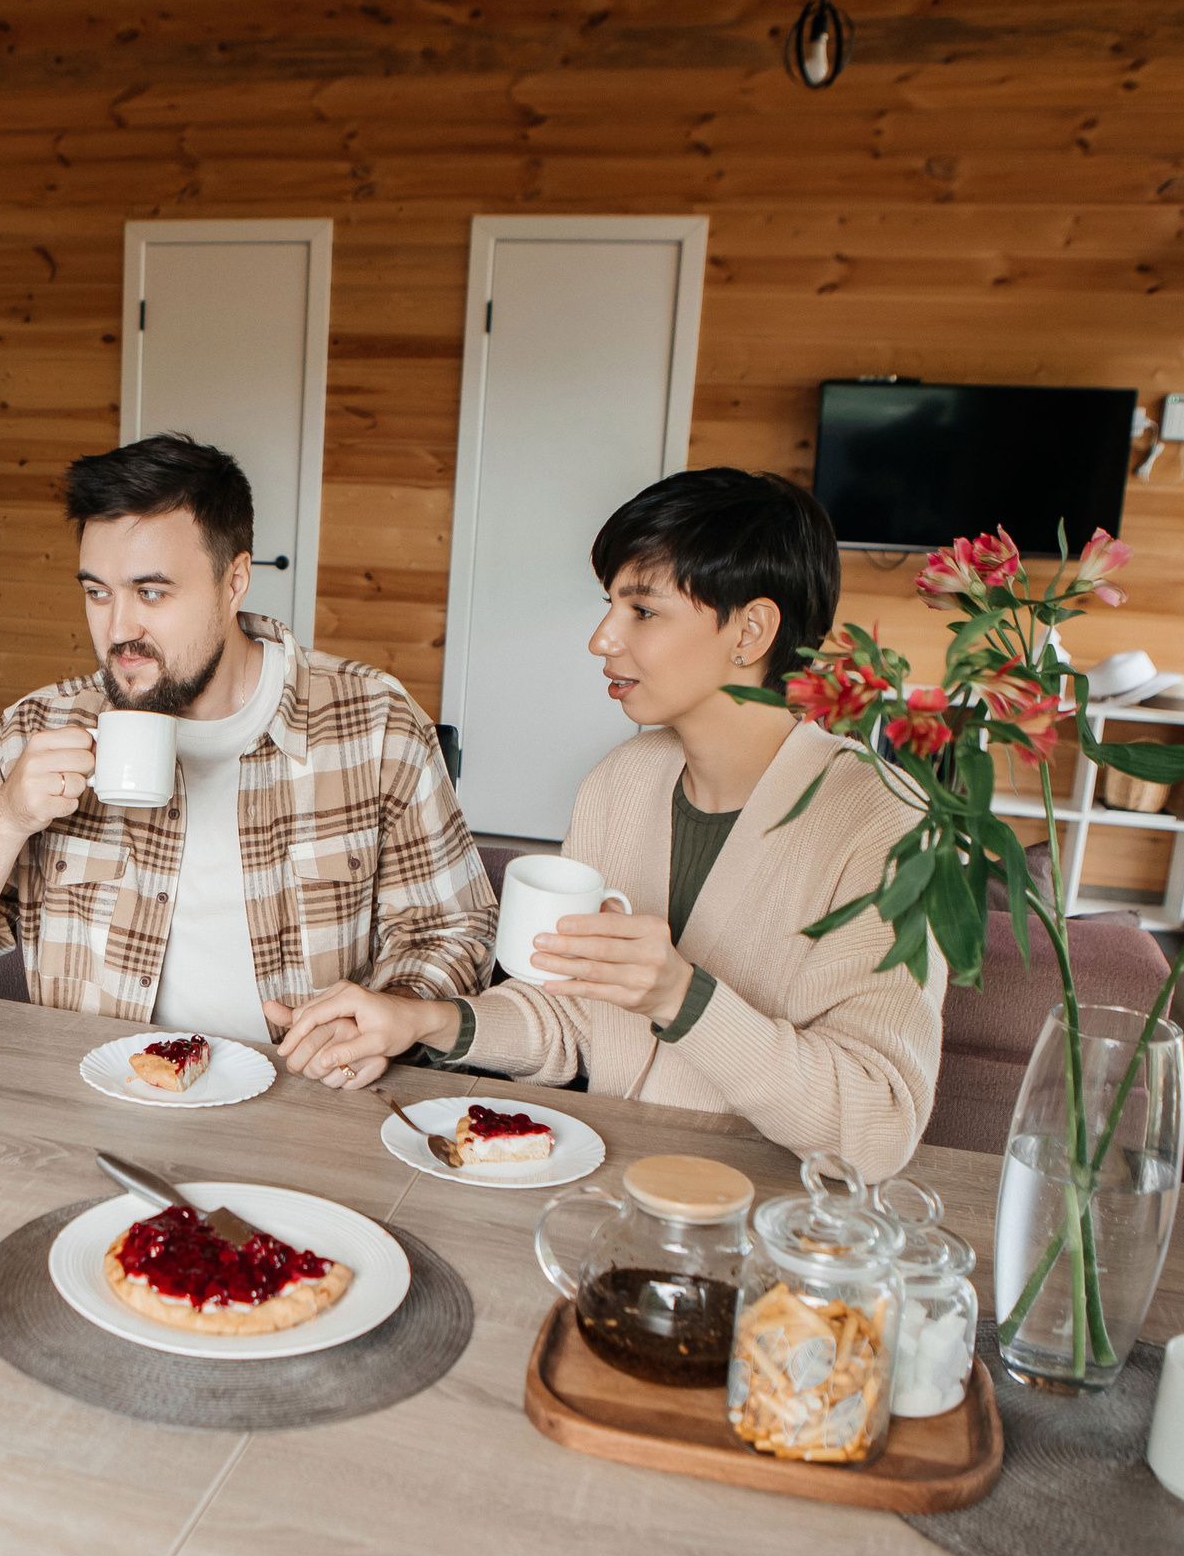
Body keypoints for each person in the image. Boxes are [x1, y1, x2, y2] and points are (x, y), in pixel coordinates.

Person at [274, 468, 943, 1181]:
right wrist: (422, 1021)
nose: (601, 639)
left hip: (772, 1217)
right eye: (609, 606)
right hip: (605, 1192)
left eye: (642, 611)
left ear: (750, 631)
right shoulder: (619, 784)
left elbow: (877, 1129)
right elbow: (571, 1022)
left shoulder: (883, 823)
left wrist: (681, 997)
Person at [0, 433, 494, 1039]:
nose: (119, 629)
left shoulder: (374, 723)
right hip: (94, 1092)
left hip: (305, 1092)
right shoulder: (39, 728)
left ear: (234, 581)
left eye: (151, 592)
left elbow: (453, 929)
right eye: (97, 593)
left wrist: (389, 1017)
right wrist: (8, 818)